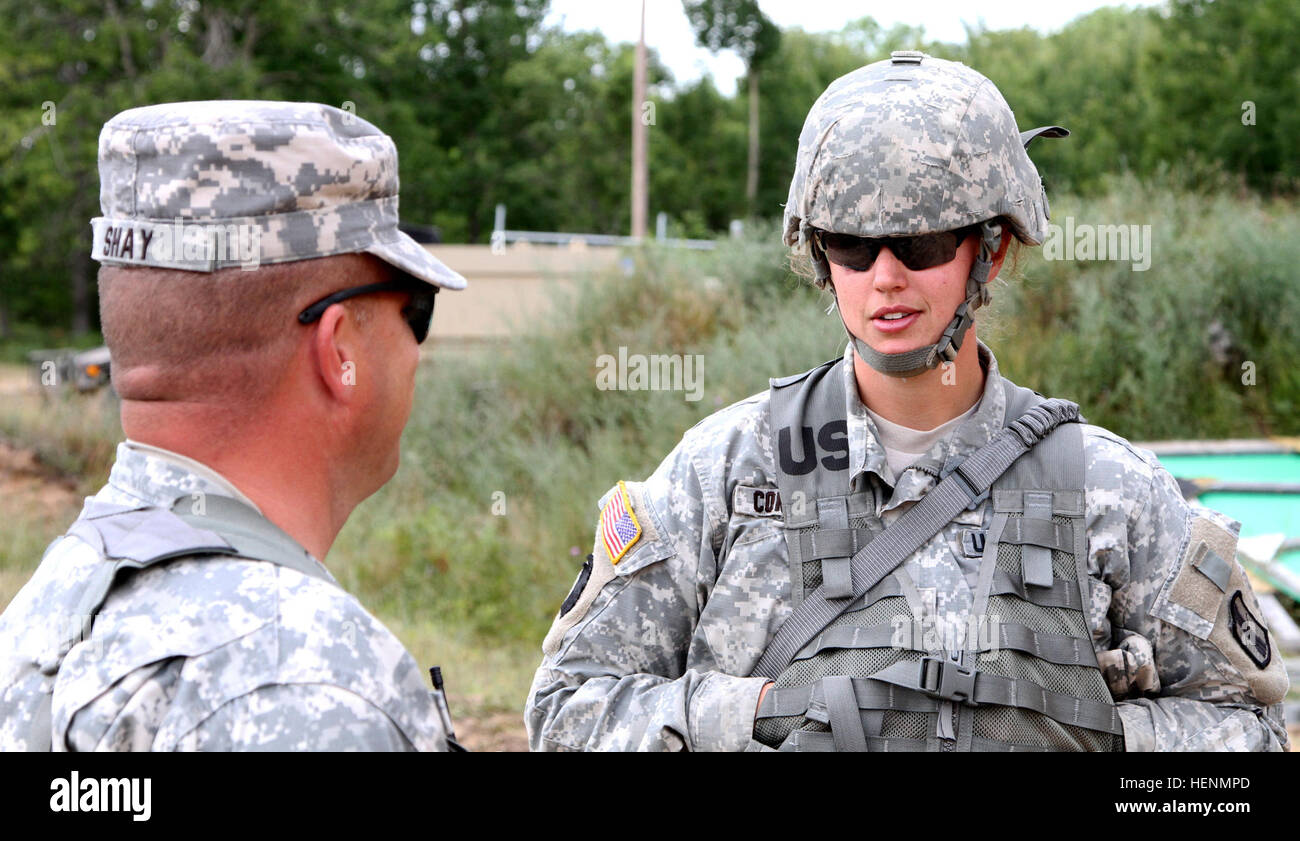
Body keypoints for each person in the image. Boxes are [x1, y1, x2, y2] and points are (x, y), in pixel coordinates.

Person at [525, 52, 1289, 752]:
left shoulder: (1110, 495)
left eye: (919, 242)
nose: (885, 275)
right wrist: (757, 713)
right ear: (820, 254)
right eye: (852, 244)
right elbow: (566, 710)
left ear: (989, 248)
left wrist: (1079, 736)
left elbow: (1246, 731)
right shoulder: (723, 474)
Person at [0, 101, 467, 751]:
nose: (418, 349)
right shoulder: (305, 685)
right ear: (339, 351)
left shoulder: (57, 601)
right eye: (414, 310)